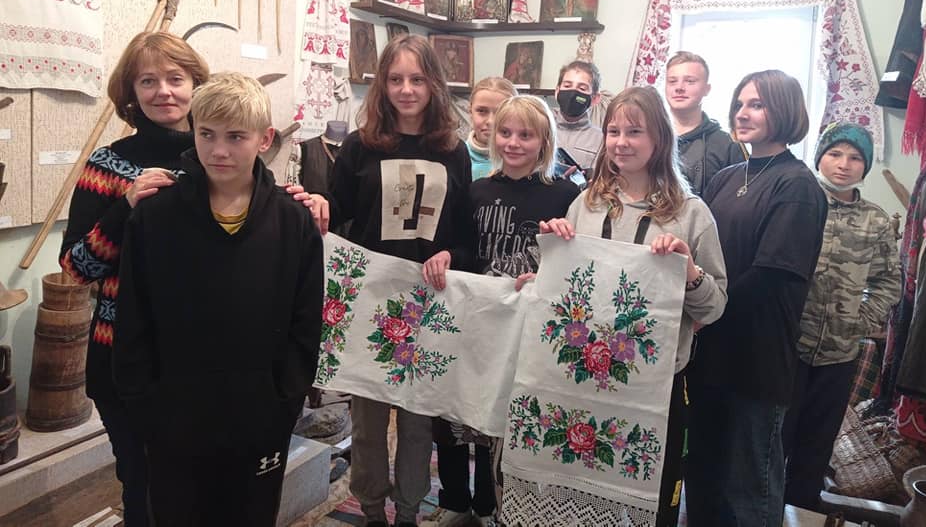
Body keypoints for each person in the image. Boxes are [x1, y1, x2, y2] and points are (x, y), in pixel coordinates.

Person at [112, 72, 325, 526]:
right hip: (174, 415)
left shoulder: (293, 221)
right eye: (207, 134)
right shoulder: (155, 217)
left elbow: (306, 322)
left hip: (260, 412)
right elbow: (133, 315)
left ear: (264, 139)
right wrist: (145, 402)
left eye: (235, 137)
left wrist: (285, 396)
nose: (219, 150)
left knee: (249, 514)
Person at [540, 86, 727, 527]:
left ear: (659, 138)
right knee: (583, 492)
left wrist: (689, 272)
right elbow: (564, 292)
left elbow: (714, 307)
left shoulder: (691, 214)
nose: (621, 142)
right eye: (613, 131)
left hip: (654, 388)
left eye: (634, 132)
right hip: (586, 379)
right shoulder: (586, 204)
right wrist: (551, 253)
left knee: (652, 497)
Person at [311, 34, 475, 527]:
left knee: (417, 422)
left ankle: (408, 510)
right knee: (367, 421)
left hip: (428, 301)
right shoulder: (360, 147)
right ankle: (370, 508)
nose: (406, 90)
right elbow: (338, 209)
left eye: (417, 79)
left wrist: (450, 254)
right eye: (396, 79)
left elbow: (465, 235)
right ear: (382, 84)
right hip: (371, 301)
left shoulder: (453, 151)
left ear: (434, 85)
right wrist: (318, 204)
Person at [59, 31, 210, 527]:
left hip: (202, 357)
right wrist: (124, 208)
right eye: (148, 81)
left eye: (176, 78)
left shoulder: (218, 156)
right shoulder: (108, 165)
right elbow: (76, 267)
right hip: (122, 353)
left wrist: (305, 204)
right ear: (131, 92)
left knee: (198, 479)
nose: (163, 91)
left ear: (196, 85)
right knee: (141, 480)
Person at [426, 96, 580, 527]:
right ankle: (456, 499)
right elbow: (463, 246)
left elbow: (573, 262)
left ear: (544, 140)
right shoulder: (477, 190)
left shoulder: (566, 194)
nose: (513, 143)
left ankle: (493, 503)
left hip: (526, 329)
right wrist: (447, 255)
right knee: (457, 409)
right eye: (506, 133)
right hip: (475, 321)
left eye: (525, 135)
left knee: (503, 415)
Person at [685, 69, 828, 527]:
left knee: (748, 488)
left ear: (783, 111)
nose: (742, 113)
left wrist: (706, 307)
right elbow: (700, 249)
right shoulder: (727, 178)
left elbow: (770, 277)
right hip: (708, 353)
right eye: (740, 104)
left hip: (756, 360)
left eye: (757, 105)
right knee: (702, 477)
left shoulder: (797, 185)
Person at [782, 122, 899, 511]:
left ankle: (802, 510)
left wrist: (859, 321)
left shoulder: (875, 221)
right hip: (789, 347)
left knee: (816, 444)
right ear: (819, 158)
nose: (844, 164)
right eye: (834, 154)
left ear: (865, 166)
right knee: (775, 437)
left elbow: (888, 282)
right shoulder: (798, 205)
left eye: (855, 157)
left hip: (839, 355)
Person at [664, 51, 745, 196]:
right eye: (672, 81)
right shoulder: (650, 137)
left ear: (707, 89)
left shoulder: (727, 145)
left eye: (690, 81)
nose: (679, 87)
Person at [554, 59, 603, 177]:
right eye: (567, 86)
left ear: (595, 98)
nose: (573, 94)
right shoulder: (540, 129)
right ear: (557, 91)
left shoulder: (602, 140)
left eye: (582, 89)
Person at [465, 77, 519, 181]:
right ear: (470, 112)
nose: (491, 121)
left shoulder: (524, 163)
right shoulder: (455, 158)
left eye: (500, 112)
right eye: (481, 111)